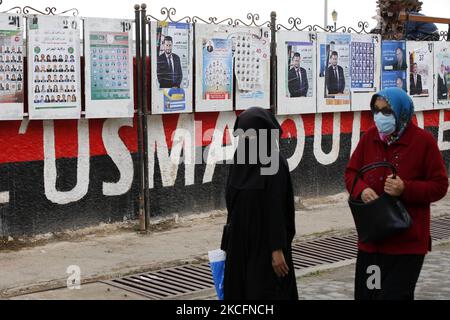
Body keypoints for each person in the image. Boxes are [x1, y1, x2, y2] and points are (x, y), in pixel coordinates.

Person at [345, 87, 448, 300]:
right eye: (376, 111)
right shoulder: (370, 137)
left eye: (386, 111)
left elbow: (439, 185)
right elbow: (351, 173)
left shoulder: (423, 142)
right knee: (368, 295)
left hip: (406, 245)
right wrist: (361, 189)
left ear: (401, 113)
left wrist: (406, 188)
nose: (380, 117)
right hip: (372, 243)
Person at [221, 107, 298, 300]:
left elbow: (277, 209)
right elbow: (232, 204)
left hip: (266, 248)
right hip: (239, 245)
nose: (246, 141)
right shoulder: (240, 159)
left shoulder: (274, 163)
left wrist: (277, 249)